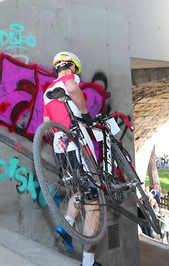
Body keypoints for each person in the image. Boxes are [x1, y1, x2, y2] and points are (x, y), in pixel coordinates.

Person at [43, 51, 102, 266]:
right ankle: (88, 262)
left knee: (77, 190)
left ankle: (66, 225)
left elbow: (46, 123)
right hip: (78, 145)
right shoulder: (70, 78)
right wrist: (85, 114)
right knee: (94, 203)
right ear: (73, 67)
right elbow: (71, 88)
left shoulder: (47, 92)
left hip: (61, 149)